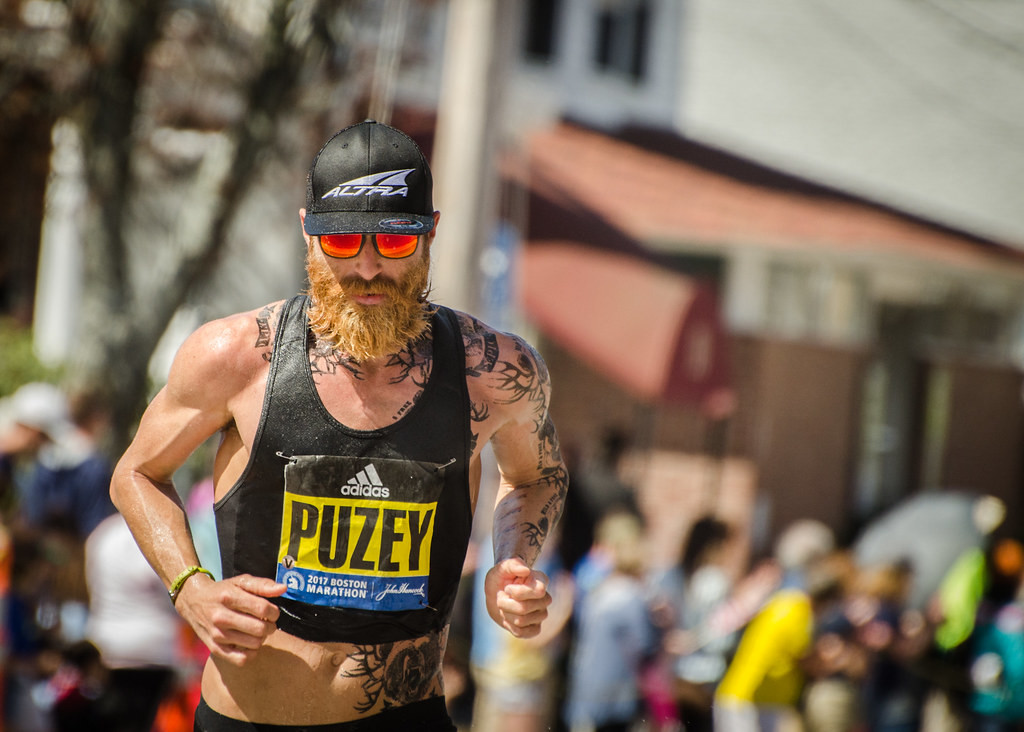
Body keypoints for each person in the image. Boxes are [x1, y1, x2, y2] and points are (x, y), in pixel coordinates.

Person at [109, 119, 568, 731]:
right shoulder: (235, 357)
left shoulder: (494, 370)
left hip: (405, 716)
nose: (368, 268)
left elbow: (537, 475)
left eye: (395, 243)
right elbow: (137, 473)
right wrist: (190, 587)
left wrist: (512, 563)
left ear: (430, 233)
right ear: (307, 230)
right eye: (343, 241)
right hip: (249, 718)